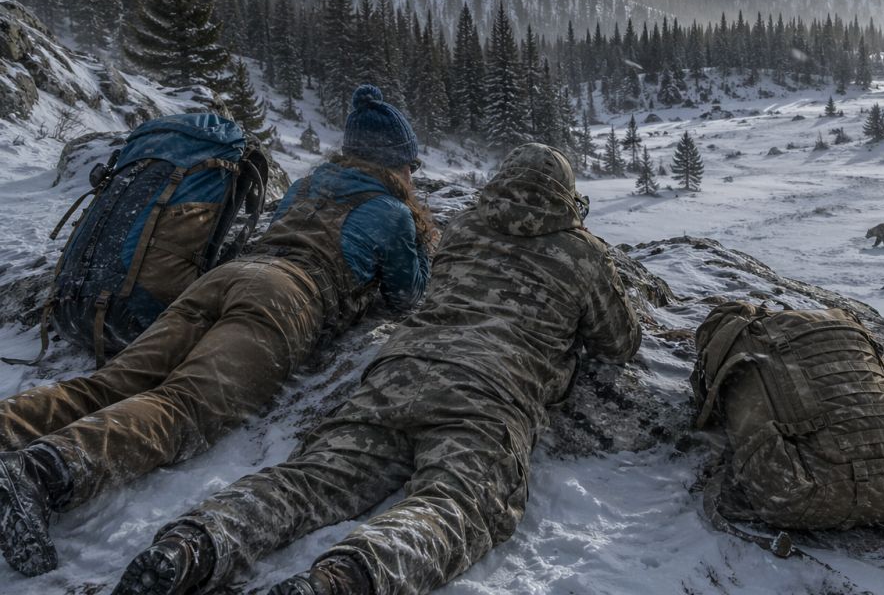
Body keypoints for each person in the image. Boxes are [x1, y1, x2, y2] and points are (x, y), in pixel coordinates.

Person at [113, 142, 641, 595]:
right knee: (458, 503)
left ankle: (192, 544)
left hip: (399, 373)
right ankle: (341, 581)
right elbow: (619, 342)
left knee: (314, 478)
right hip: (488, 395)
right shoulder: (582, 253)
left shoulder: (462, 230)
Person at [0, 84, 433, 578]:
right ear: (396, 163)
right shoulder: (393, 212)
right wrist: (420, 238)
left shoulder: (310, 184)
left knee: (113, 382)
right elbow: (407, 294)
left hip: (222, 280)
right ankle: (41, 473)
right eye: (411, 166)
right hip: (286, 299)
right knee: (185, 406)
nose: (412, 175)